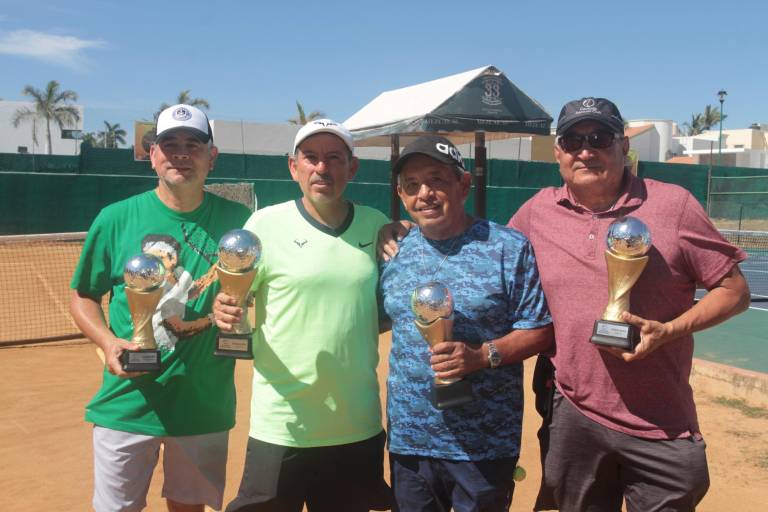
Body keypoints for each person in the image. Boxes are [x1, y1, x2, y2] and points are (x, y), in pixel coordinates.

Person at [507, 97, 751, 511]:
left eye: (599, 138)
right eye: (573, 140)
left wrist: (672, 330)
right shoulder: (537, 211)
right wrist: (405, 228)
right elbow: (489, 252)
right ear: (559, 152)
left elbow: (735, 292)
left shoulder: (674, 205)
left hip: (660, 423)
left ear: (624, 148)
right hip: (574, 413)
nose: (586, 151)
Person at [70, 104, 251, 512]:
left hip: (203, 406)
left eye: (193, 144)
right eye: (169, 145)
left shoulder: (242, 222)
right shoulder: (115, 219)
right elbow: (83, 295)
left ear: (212, 156)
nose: (181, 154)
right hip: (126, 403)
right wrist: (107, 340)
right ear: (152, 154)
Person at [212, 119, 391, 512]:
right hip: (282, 424)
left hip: (355, 424)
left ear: (352, 167)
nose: (322, 168)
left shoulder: (377, 225)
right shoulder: (263, 225)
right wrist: (226, 312)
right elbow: (234, 301)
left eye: (334, 158)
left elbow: (382, 311)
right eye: (310, 158)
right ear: (293, 167)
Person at [378, 135, 553, 512]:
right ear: (401, 195)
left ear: (463, 184)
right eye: (412, 185)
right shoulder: (393, 250)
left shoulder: (507, 247)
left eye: (437, 180)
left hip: (484, 443)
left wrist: (482, 355)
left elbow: (539, 328)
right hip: (410, 441)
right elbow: (376, 319)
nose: (424, 193)